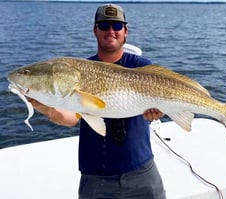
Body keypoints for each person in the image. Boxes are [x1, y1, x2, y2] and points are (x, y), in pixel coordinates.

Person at [29, 3, 166, 199]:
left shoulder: (141, 67)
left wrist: (158, 112)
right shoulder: (81, 72)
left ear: (126, 32)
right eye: (104, 26)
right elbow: (71, 118)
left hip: (141, 171)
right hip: (95, 179)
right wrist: (46, 108)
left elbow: (164, 102)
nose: (111, 31)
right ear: (95, 31)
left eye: (117, 26)